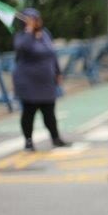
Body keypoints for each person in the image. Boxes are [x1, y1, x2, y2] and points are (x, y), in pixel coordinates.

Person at [12, 8, 70, 151]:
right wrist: (29, 31)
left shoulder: (45, 34)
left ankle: (55, 138)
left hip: (46, 83)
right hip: (28, 83)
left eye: (37, 19)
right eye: (32, 19)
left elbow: (52, 54)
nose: (36, 22)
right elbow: (23, 48)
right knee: (29, 113)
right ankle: (28, 141)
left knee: (49, 112)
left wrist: (57, 72)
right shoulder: (22, 37)